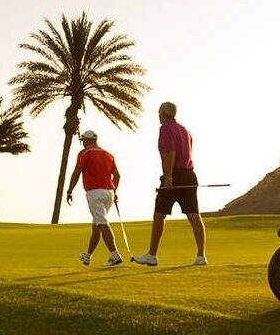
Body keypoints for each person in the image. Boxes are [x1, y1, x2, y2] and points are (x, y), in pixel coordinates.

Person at [133, 102, 207, 266]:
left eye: (159, 111)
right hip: (189, 175)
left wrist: (168, 177)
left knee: (159, 214)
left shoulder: (166, 128)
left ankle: (152, 255)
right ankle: (201, 256)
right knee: (194, 215)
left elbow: (170, 153)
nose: (157, 114)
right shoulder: (184, 129)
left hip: (175, 175)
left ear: (164, 113)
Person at [65, 130, 123, 266]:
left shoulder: (84, 153)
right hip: (109, 192)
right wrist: (114, 191)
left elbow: (77, 171)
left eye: (83, 140)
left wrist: (69, 190)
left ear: (87, 140)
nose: (82, 142)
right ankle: (88, 255)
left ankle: (115, 254)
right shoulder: (108, 154)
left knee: (102, 223)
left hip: (94, 193)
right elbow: (117, 175)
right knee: (97, 225)